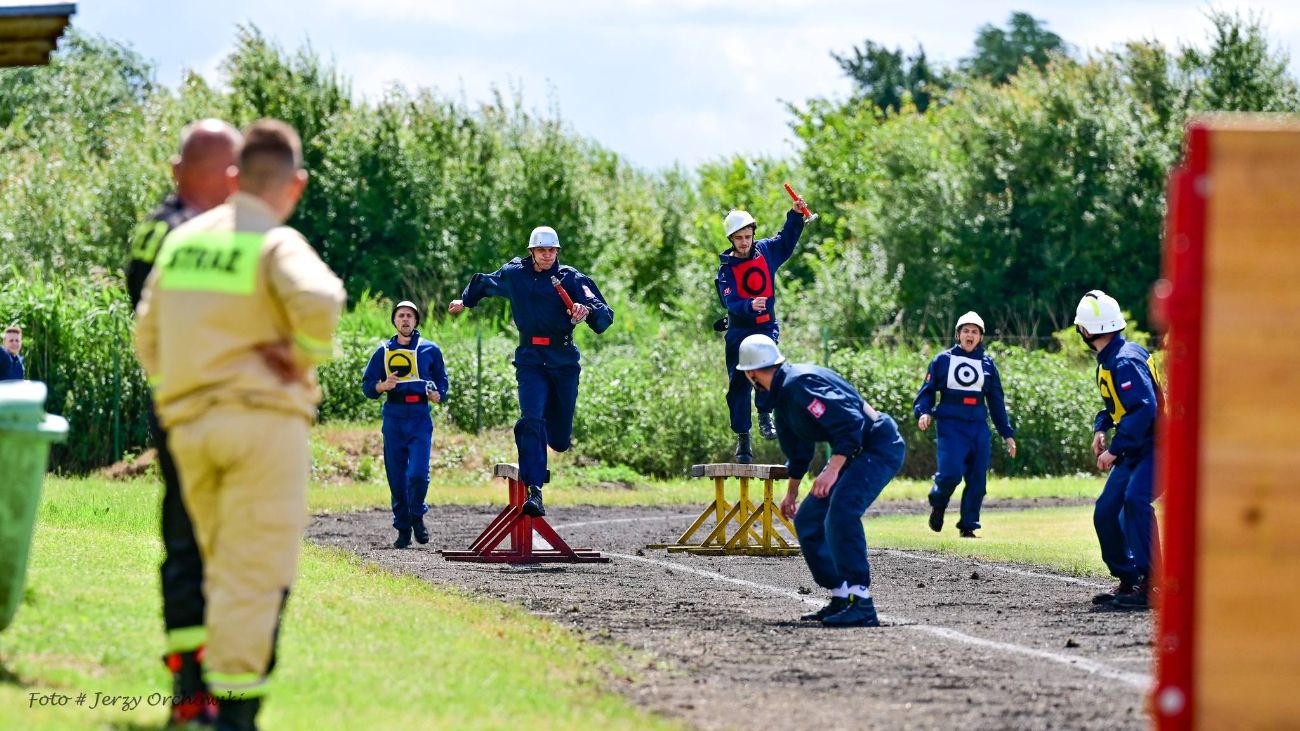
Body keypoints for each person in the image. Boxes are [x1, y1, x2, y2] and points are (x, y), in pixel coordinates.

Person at [134, 118, 345, 730]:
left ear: (235, 176)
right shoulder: (274, 241)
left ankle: (196, 696)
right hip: (261, 428)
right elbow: (322, 301)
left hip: (190, 427)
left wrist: (180, 395)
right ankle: (234, 714)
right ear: (295, 185)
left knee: (211, 560)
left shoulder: (184, 241)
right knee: (255, 572)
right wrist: (302, 354)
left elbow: (147, 334)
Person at [125, 118, 241, 726]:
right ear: (225, 177)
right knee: (208, 543)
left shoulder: (155, 229)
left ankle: (189, 686)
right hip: (199, 408)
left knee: (185, 539)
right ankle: (201, 689)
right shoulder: (193, 238)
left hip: (170, 403)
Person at [736, 334, 906, 628]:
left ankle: (861, 602)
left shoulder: (800, 384)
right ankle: (841, 595)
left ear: (751, 373)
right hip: (854, 450)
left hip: (878, 445)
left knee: (841, 511)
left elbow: (851, 422)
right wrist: (791, 493)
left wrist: (833, 468)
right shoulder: (781, 397)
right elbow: (799, 450)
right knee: (808, 519)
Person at [448, 226, 613, 517]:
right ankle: (534, 490)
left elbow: (603, 315)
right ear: (532, 252)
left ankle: (547, 435)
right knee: (531, 418)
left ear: (557, 252)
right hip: (530, 359)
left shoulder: (572, 278)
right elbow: (486, 282)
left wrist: (586, 312)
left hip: (563, 360)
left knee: (560, 440)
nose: (547, 255)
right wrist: (465, 301)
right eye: (542, 250)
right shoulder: (515, 274)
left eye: (552, 250)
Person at [1074, 290, 1162, 610]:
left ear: (1085, 330)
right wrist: (1102, 426)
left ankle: (1153, 585)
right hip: (1136, 448)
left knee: (1135, 501)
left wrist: (1115, 449)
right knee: (1106, 512)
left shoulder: (1124, 359)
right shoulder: (1112, 357)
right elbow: (1117, 406)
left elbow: (1144, 408)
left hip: (1156, 447)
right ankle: (1129, 579)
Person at [715, 198, 807, 463]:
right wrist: (748, 305)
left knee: (767, 372)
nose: (744, 242)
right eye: (739, 238)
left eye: (748, 236)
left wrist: (795, 214)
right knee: (739, 383)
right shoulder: (725, 270)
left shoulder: (766, 252)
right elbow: (730, 301)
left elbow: (786, 239)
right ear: (731, 239)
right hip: (738, 332)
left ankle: (765, 416)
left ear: (753, 233)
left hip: (766, 327)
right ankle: (743, 439)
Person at [912, 311, 1017, 538]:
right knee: (950, 474)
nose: (970, 335)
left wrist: (1007, 434)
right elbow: (927, 392)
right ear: (958, 334)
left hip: (978, 426)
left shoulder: (988, 365)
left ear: (980, 337)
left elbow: (997, 401)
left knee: (978, 478)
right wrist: (924, 412)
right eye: (966, 331)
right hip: (950, 426)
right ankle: (938, 504)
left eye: (975, 331)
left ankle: (968, 526)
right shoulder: (941, 361)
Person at [361, 300, 449, 548]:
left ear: (416, 320)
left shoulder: (430, 349)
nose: (405, 320)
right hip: (394, 415)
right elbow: (367, 386)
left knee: (418, 474)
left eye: (410, 316)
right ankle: (403, 529)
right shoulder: (383, 352)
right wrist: (382, 385)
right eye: (400, 316)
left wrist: (438, 395)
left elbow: (443, 382)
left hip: (420, 415)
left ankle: (417, 516)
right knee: (397, 477)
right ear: (394, 321)